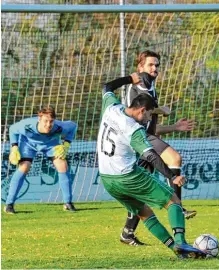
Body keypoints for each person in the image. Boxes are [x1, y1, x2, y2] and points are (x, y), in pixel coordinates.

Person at [97, 72, 206, 259]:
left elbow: (106, 87)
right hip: (127, 176)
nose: (148, 120)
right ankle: (181, 242)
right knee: (173, 200)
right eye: (149, 115)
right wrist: (173, 176)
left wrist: (128, 79)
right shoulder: (133, 129)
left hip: (107, 179)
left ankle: (176, 250)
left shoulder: (111, 108)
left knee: (145, 213)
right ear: (141, 110)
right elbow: (150, 156)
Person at [121, 50, 196, 246]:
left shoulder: (151, 87)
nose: (155, 68)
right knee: (174, 158)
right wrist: (158, 109)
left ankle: (128, 232)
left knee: (141, 193)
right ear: (140, 68)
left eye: (157, 65)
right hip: (137, 139)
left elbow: (152, 128)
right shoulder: (135, 88)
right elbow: (133, 118)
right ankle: (178, 206)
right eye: (150, 65)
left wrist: (175, 127)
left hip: (147, 137)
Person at [4, 106, 77, 214]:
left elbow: (73, 126)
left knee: (63, 165)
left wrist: (66, 145)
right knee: (24, 167)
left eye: (51, 121)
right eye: (45, 121)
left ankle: (68, 203)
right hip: (28, 144)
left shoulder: (59, 127)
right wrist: (14, 147)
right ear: (39, 119)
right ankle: (9, 204)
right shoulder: (27, 125)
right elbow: (12, 129)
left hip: (51, 144)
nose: (48, 124)